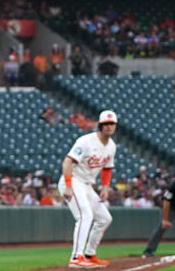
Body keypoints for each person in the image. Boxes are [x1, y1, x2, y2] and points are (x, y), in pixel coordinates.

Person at [58, 110, 118, 268]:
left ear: (115, 126)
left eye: (111, 123)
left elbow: (107, 168)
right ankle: (76, 257)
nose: (108, 126)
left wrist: (105, 188)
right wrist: (68, 185)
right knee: (85, 215)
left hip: (86, 185)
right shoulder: (86, 141)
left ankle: (89, 254)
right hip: (73, 181)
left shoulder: (111, 146)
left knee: (105, 218)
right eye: (105, 123)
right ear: (100, 125)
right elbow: (67, 162)